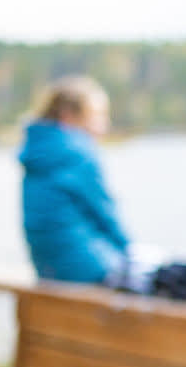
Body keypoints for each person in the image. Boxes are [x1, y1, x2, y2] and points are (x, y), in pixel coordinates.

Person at [18, 75, 132, 286]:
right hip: (88, 268)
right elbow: (104, 213)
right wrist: (132, 252)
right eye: (97, 116)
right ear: (68, 116)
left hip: (46, 268)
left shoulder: (37, 148)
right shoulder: (78, 150)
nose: (104, 125)